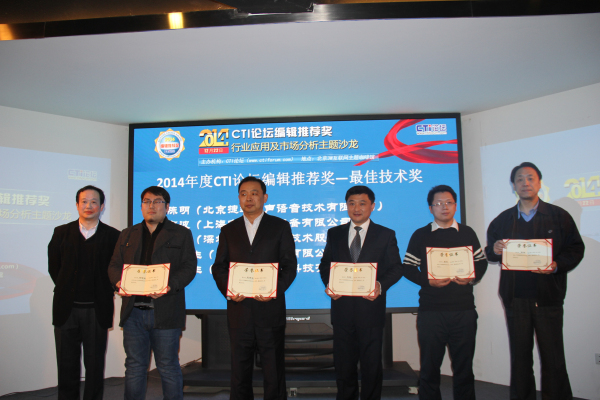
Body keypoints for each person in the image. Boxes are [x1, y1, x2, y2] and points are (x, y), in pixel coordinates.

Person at [485, 162, 585, 400]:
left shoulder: (559, 216)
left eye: (530, 178)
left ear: (539, 183)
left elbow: (575, 249)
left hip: (548, 299)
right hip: (515, 298)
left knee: (553, 357)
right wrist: (495, 250)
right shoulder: (503, 220)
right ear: (513, 186)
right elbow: (490, 253)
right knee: (520, 358)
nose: (525, 183)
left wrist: (556, 265)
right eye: (520, 179)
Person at [212, 176, 297, 400]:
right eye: (243, 194)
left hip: (270, 311)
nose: (248, 198)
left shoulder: (280, 227)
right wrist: (229, 290)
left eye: (254, 193)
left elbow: (290, 266)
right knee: (239, 373)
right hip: (239, 311)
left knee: (273, 371)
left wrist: (273, 290)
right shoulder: (228, 230)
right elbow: (218, 267)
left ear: (264, 197)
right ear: (239, 198)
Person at [108, 186, 196, 400]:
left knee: (168, 366)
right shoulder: (127, 234)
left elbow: (189, 267)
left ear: (167, 207)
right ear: (141, 206)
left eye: (157, 201)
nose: (151, 206)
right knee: (134, 367)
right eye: (146, 201)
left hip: (165, 311)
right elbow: (114, 265)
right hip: (133, 312)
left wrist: (169, 285)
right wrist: (119, 282)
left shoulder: (181, 233)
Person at [402, 185, 487, 399]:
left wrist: (472, 277)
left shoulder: (467, 233)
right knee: (429, 368)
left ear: (455, 206)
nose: (444, 207)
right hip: (431, 312)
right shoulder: (421, 235)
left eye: (449, 202)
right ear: (430, 208)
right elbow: (408, 267)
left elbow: (481, 262)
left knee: (464, 368)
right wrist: (428, 281)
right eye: (438, 203)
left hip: (463, 311)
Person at [318, 185, 403, 400]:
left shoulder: (385, 234)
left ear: (372, 206)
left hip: (371, 311)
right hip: (342, 310)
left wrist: (380, 285)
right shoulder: (335, 233)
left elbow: (396, 268)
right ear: (346, 206)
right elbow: (325, 265)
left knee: (371, 366)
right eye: (352, 203)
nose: (357, 208)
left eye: (362, 203)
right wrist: (330, 283)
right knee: (343, 365)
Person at [48, 185, 121, 400]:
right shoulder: (61, 232)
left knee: (95, 364)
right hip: (66, 309)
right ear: (77, 205)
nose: (89, 206)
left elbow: (116, 269)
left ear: (102, 206)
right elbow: (54, 267)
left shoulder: (113, 236)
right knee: (66, 364)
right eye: (84, 201)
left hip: (97, 310)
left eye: (94, 202)